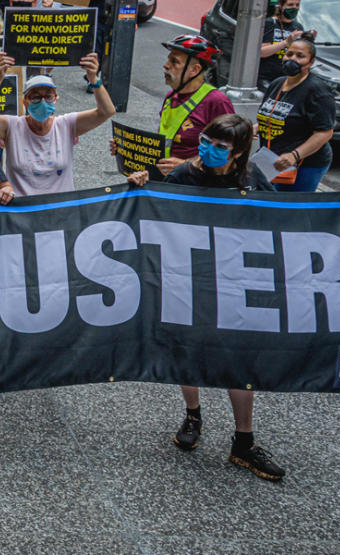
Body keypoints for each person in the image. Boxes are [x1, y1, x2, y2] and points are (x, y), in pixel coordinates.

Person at [125, 113, 284, 481]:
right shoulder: (183, 175)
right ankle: (193, 415)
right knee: (187, 350)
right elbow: (154, 212)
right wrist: (138, 186)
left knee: (238, 359)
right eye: (206, 142)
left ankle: (244, 441)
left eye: (220, 147)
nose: (208, 150)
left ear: (239, 152)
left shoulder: (252, 179)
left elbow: (282, 221)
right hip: (189, 279)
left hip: (234, 281)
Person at [0, 52, 112, 196]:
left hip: (59, 210)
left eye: (48, 96)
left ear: (55, 99)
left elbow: (106, 111)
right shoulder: (12, 126)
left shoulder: (66, 125)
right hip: (21, 211)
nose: (42, 101)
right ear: (25, 102)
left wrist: (94, 79)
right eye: (35, 97)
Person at [113, 35, 235, 176]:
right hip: (169, 180)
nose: (166, 65)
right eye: (168, 59)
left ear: (194, 70)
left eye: (174, 61)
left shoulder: (216, 101)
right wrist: (125, 148)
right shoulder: (171, 97)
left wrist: (186, 166)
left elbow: (229, 155)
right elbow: (164, 143)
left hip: (195, 186)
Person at [256, 38, 334, 192]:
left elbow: (324, 132)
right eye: (289, 54)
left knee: (290, 207)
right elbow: (279, 115)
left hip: (305, 164)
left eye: (300, 56)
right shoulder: (277, 83)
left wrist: (294, 155)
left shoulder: (317, 91)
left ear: (311, 62)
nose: (292, 59)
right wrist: (256, 127)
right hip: (272, 159)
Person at [258, 0, 308, 90]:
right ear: (281, 6)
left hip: (287, 78)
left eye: (297, 5)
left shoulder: (297, 26)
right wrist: (285, 42)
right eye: (290, 5)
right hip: (267, 78)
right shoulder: (270, 23)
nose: (294, 8)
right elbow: (262, 52)